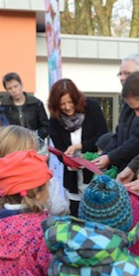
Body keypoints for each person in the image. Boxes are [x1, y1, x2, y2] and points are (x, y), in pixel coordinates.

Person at [48, 78, 109, 216]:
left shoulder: (92, 107)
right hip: (72, 176)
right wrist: (68, 161)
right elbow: (59, 150)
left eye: (70, 102)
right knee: (75, 213)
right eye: (62, 104)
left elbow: (102, 137)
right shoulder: (55, 119)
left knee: (96, 213)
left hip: (94, 171)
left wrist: (79, 146)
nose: (67, 107)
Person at [93, 55, 139, 172]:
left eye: (127, 73)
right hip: (125, 167)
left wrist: (110, 157)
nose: (122, 78)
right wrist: (105, 156)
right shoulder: (127, 104)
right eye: (120, 74)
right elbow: (118, 135)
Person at [0, 72, 50, 140]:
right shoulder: (3, 106)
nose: (14, 90)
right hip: (13, 144)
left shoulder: (36, 103)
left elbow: (45, 126)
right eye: (10, 88)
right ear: (6, 90)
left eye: (16, 86)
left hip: (35, 143)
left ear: (21, 85)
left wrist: (37, 136)